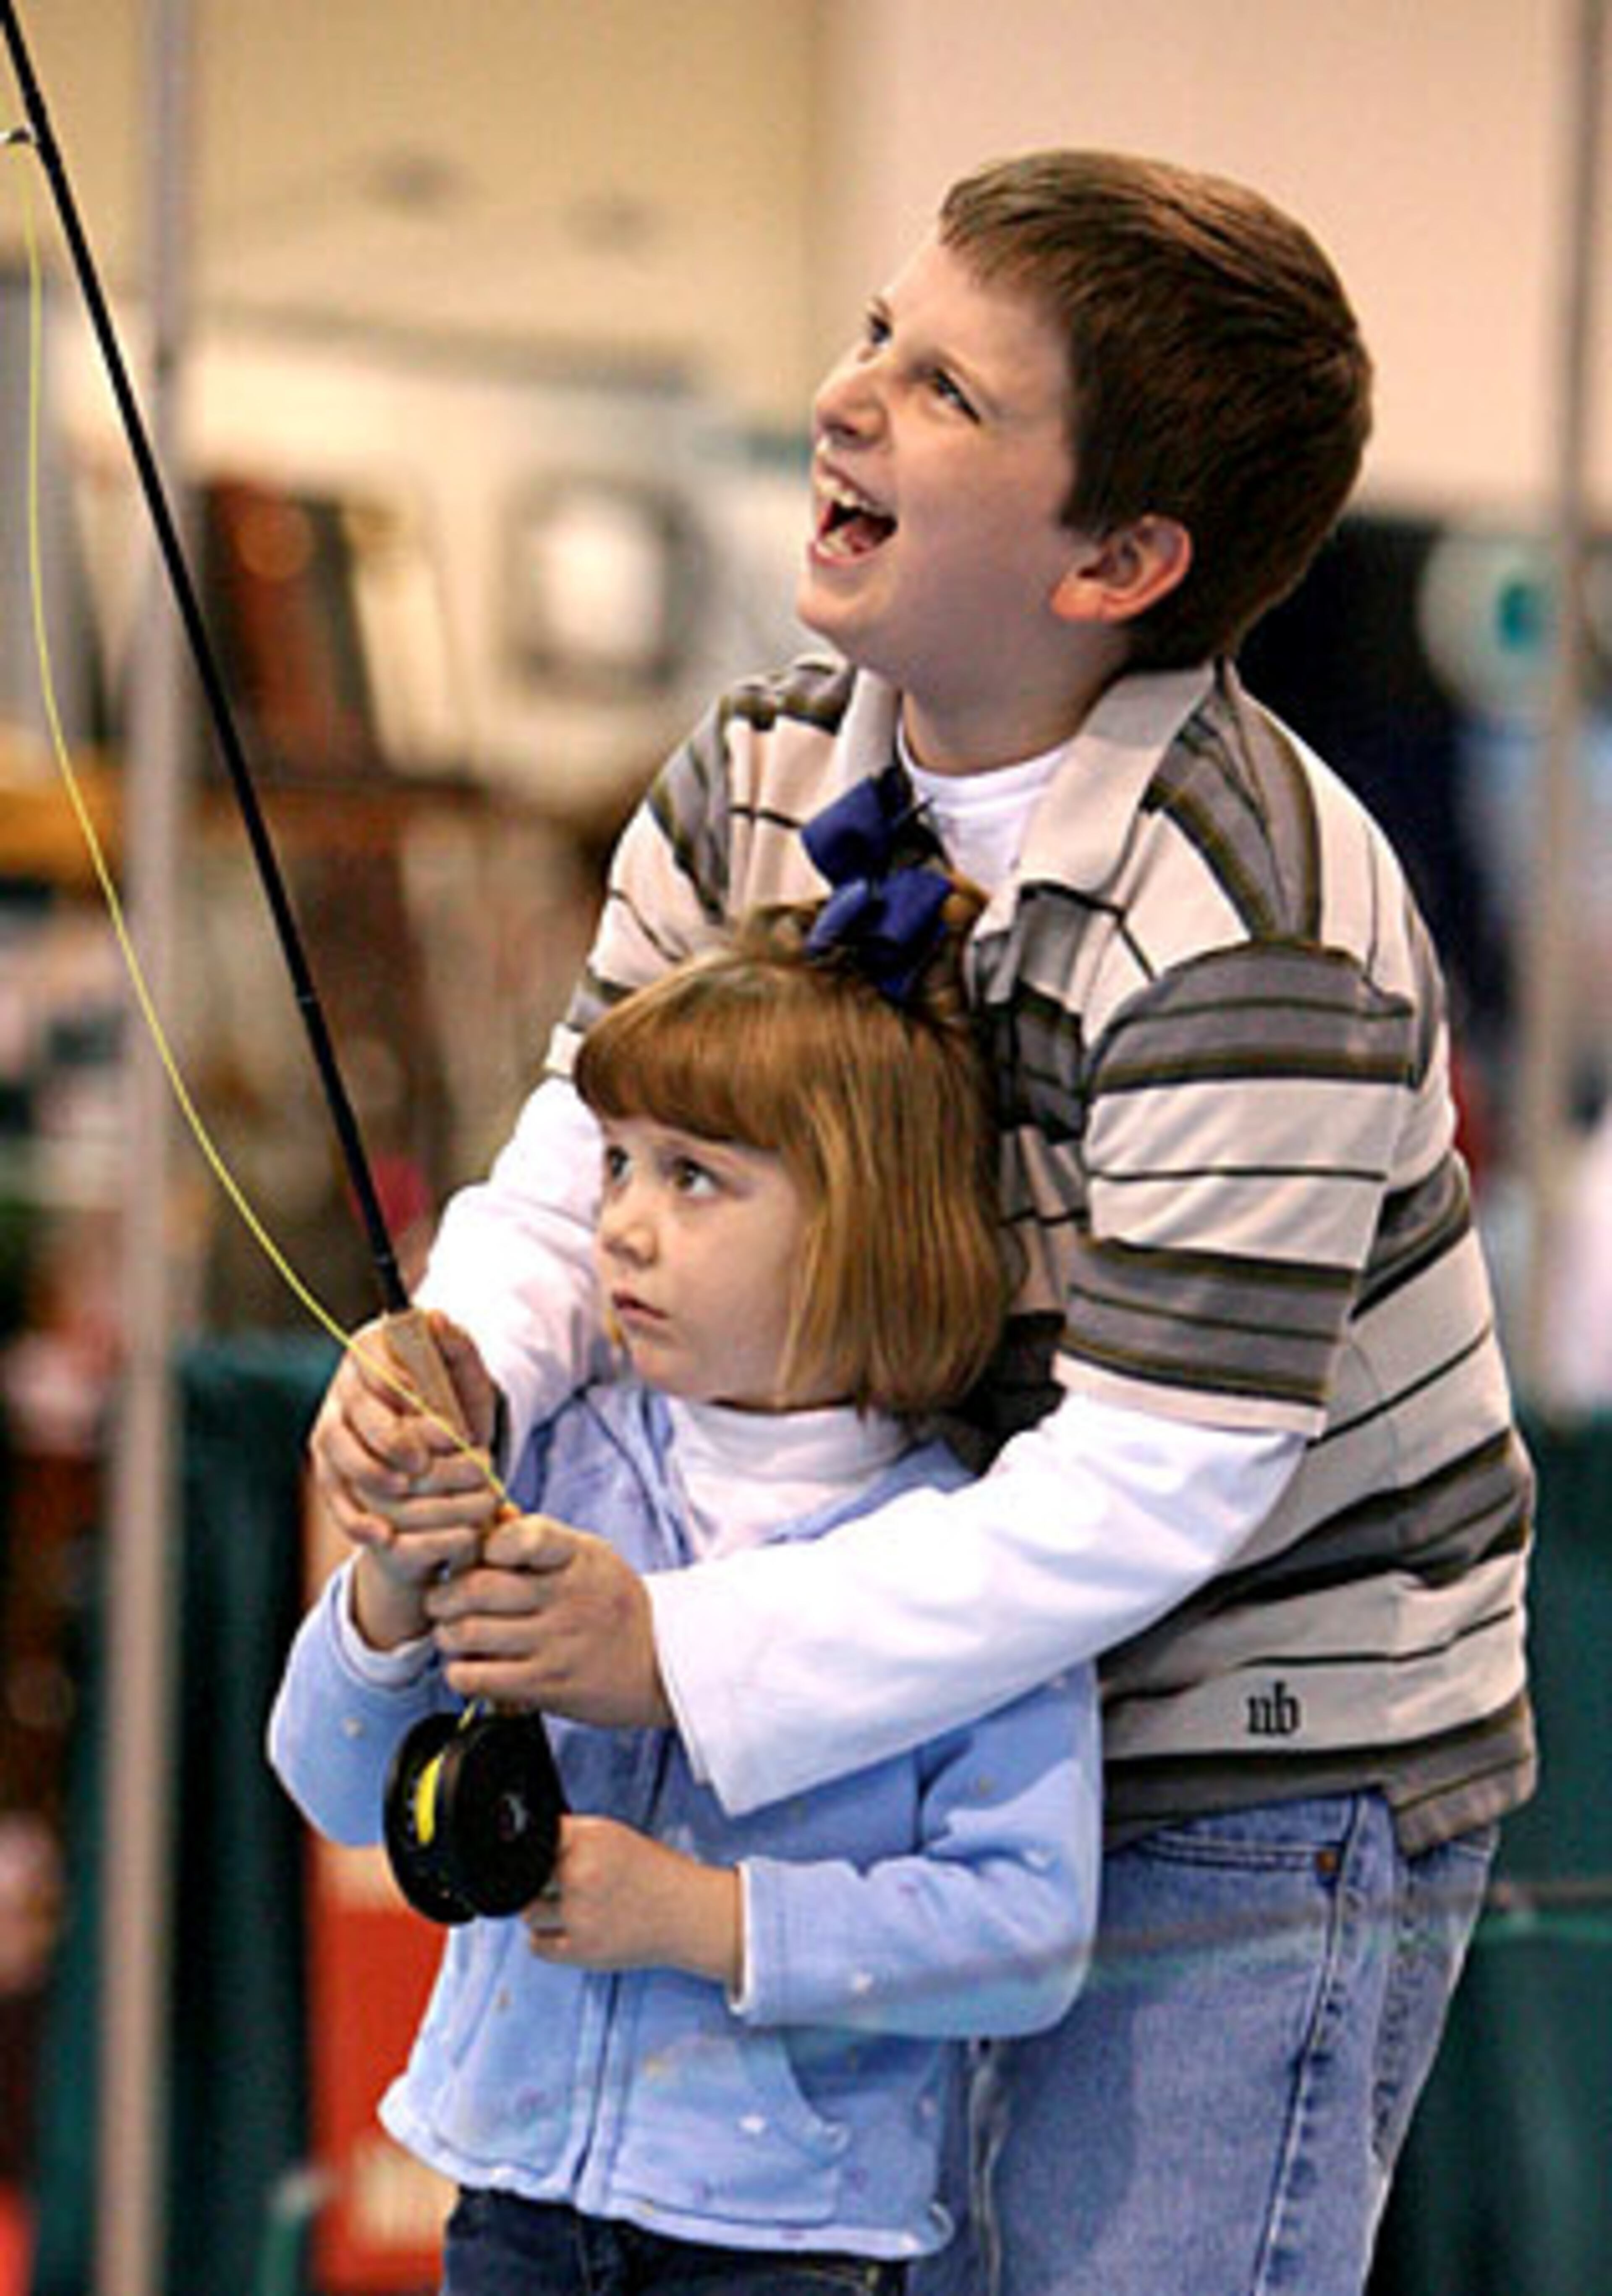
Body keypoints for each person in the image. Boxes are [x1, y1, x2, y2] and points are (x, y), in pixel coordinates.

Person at [309, 151, 1534, 2295]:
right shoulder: (754, 774)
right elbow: (578, 1148)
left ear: (1119, 559)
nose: (847, 397)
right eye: (879, 333)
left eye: (949, 390)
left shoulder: (1257, 916)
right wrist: (465, 1354)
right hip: (886, 1677)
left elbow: (1156, 1479)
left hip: (1244, 1742)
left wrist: (681, 1652)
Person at [272, 892, 1100, 2294]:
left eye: (693, 1178)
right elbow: (335, 1788)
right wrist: (393, 1588)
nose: (623, 1227)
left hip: (792, 2248)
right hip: (511, 2204)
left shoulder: (964, 1563)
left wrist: (706, 1917)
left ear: (863, 1224)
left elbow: (1026, 1935)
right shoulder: (546, 1459)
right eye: (616, 1165)